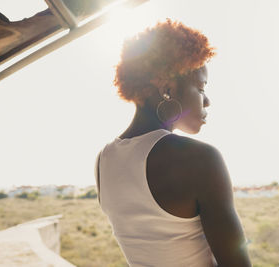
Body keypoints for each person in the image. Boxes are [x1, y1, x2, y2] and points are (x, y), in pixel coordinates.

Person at [94, 18, 252, 267]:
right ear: (167, 88)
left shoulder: (104, 159)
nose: (207, 101)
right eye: (200, 88)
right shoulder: (199, 159)